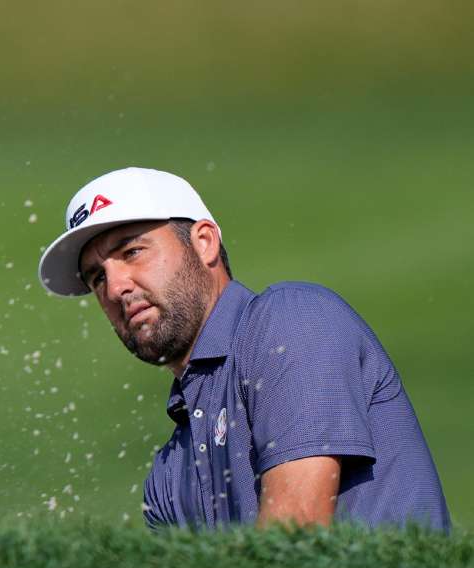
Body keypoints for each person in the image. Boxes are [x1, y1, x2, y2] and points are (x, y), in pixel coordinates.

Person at [37, 167, 450, 532]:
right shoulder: (168, 475)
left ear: (204, 242)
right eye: (96, 278)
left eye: (132, 252)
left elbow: (294, 542)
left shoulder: (291, 319)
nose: (116, 287)